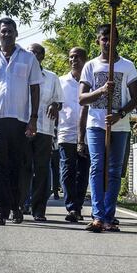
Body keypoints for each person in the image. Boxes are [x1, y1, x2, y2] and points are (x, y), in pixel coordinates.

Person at [0, 17, 42, 226]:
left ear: (16, 33)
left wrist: (33, 119)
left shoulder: (28, 58)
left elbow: (35, 88)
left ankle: (17, 207)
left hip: (20, 119)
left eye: (10, 31)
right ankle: (1, 211)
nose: (7, 34)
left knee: (18, 166)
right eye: (3, 31)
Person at [79, 25, 137, 233]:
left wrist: (120, 114)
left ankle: (108, 215)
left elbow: (136, 99)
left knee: (114, 170)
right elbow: (82, 98)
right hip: (97, 124)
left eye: (112, 38)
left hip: (120, 126)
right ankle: (97, 215)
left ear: (118, 40)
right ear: (98, 41)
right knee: (97, 167)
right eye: (104, 38)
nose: (108, 42)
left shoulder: (127, 66)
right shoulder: (90, 66)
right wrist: (101, 90)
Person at [21, 43, 63, 222]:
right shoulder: (19, 75)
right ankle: (20, 205)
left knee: (41, 170)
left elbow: (59, 101)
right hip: (22, 128)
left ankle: (38, 209)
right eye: (30, 52)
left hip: (44, 129)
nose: (33, 55)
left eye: (37, 53)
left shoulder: (52, 77)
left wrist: (54, 105)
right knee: (23, 169)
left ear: (42, 57)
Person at [58, 47, 91, 223]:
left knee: (82, 173)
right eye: (71, 57)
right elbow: (54, 103)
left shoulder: (91, 81)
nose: (74, 60)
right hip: (66, 133)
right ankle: (71, 208)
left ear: (85, 59)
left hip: (87, 134)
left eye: (77, 57)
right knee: (67, 171)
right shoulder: (61, 81)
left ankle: (77, 207)